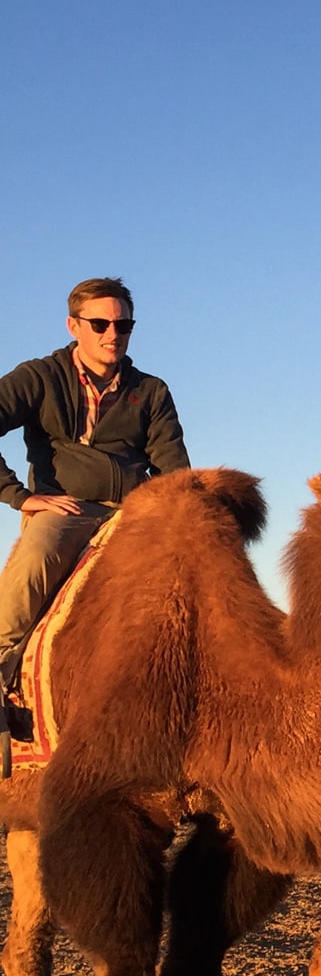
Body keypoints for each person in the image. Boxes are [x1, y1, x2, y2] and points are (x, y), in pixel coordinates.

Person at [0, 277, 189, 692]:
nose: (112, 335)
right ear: (74, 326)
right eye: (100, 324)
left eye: (123, 326)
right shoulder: (40, 377)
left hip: (136, 510)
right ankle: (1, 662)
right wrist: (20, 497)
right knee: (37, 558)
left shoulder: (151, 391)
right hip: (68, 508)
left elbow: (173, 468)